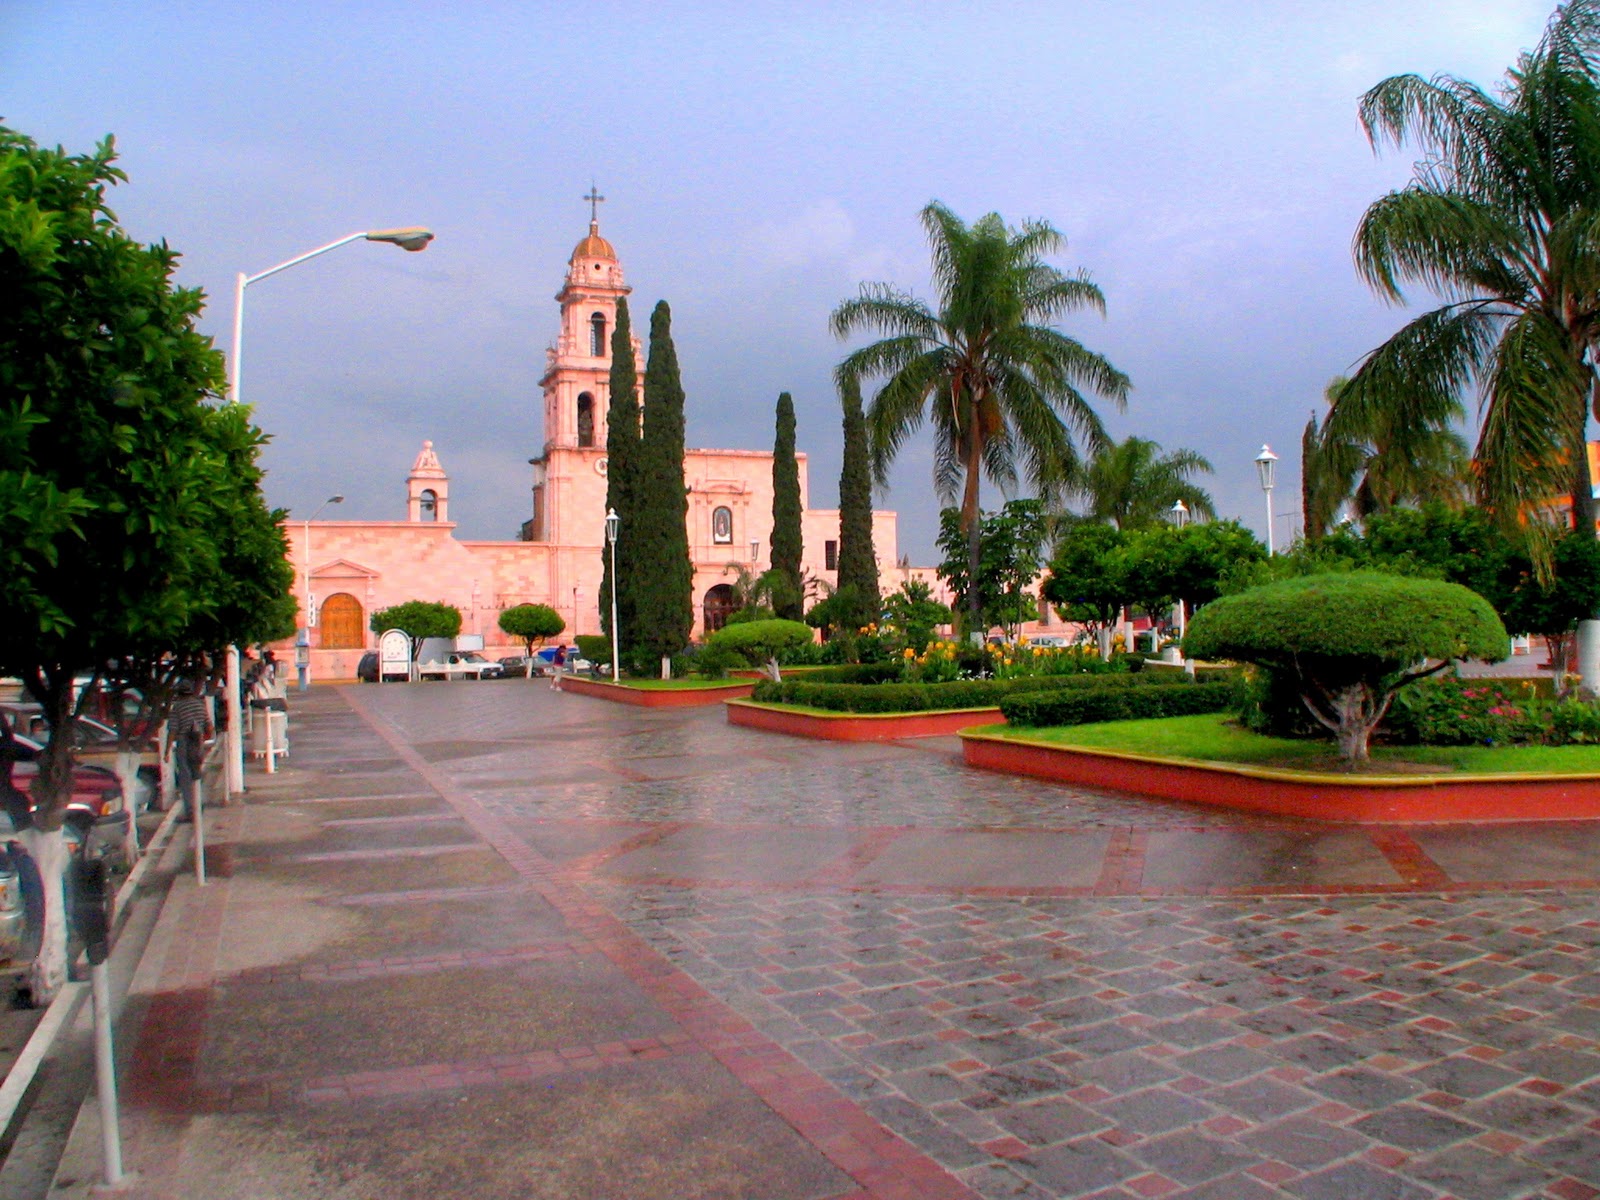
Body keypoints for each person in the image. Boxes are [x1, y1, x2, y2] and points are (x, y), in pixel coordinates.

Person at [167, 678, 212, 822]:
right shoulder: (199, 705)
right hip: (198, 741)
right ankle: (200, 806)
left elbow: (173, 730)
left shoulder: (178, 707)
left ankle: (190, 812)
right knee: (197, 774)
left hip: (184, 741)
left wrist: (166, 751)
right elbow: (209, 726)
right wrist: (203, 740)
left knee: (185, 777)